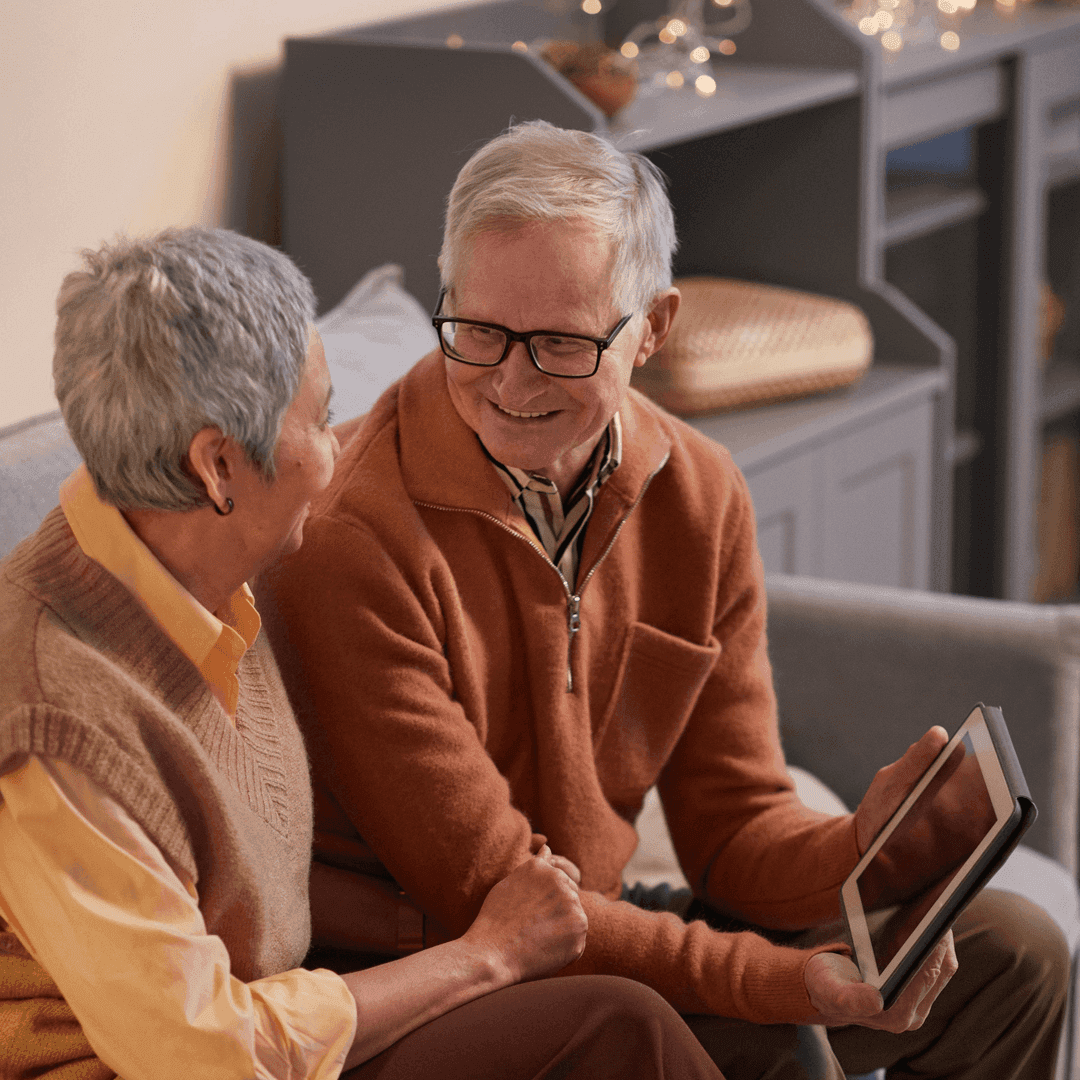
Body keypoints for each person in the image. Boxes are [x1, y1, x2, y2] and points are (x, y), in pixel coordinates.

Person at [260, 122, 1071, 1079]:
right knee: (778, 1037)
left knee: (1014, 950)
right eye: (478, 332)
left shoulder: (700, 490)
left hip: (599, 922)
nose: (510, 383)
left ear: (654, 328)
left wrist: (867, 847)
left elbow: (733, 824)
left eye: (561, 342)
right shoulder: (352, 537)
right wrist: (788, 982)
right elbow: (498, 893)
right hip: (440, 965)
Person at [0, 226, 726, 1080]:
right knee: (622, 1030)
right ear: (217, 466)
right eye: (319, 417)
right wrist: (484, 956)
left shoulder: (210, 571)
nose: (340, 446)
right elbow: (197, 1054)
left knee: (697, 1027)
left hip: (293, 1017)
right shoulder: (51, 720)